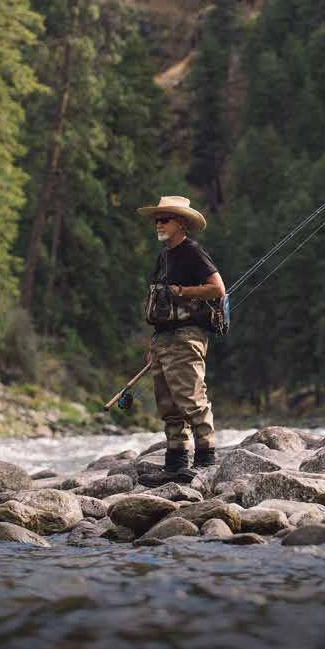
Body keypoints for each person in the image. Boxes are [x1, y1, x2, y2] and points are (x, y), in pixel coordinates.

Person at [136, 195, 225, 483]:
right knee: (168, 403)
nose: (158, 224)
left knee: (191, 398)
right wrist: (153, 345)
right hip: (163, 337)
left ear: (181, 223)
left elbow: (217, 289)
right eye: (157, 219)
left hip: (187, 335)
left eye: (164, 219)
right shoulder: (163, 256)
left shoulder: (192, 252)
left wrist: (183, 292)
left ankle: (206, 459)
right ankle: (175, 463)